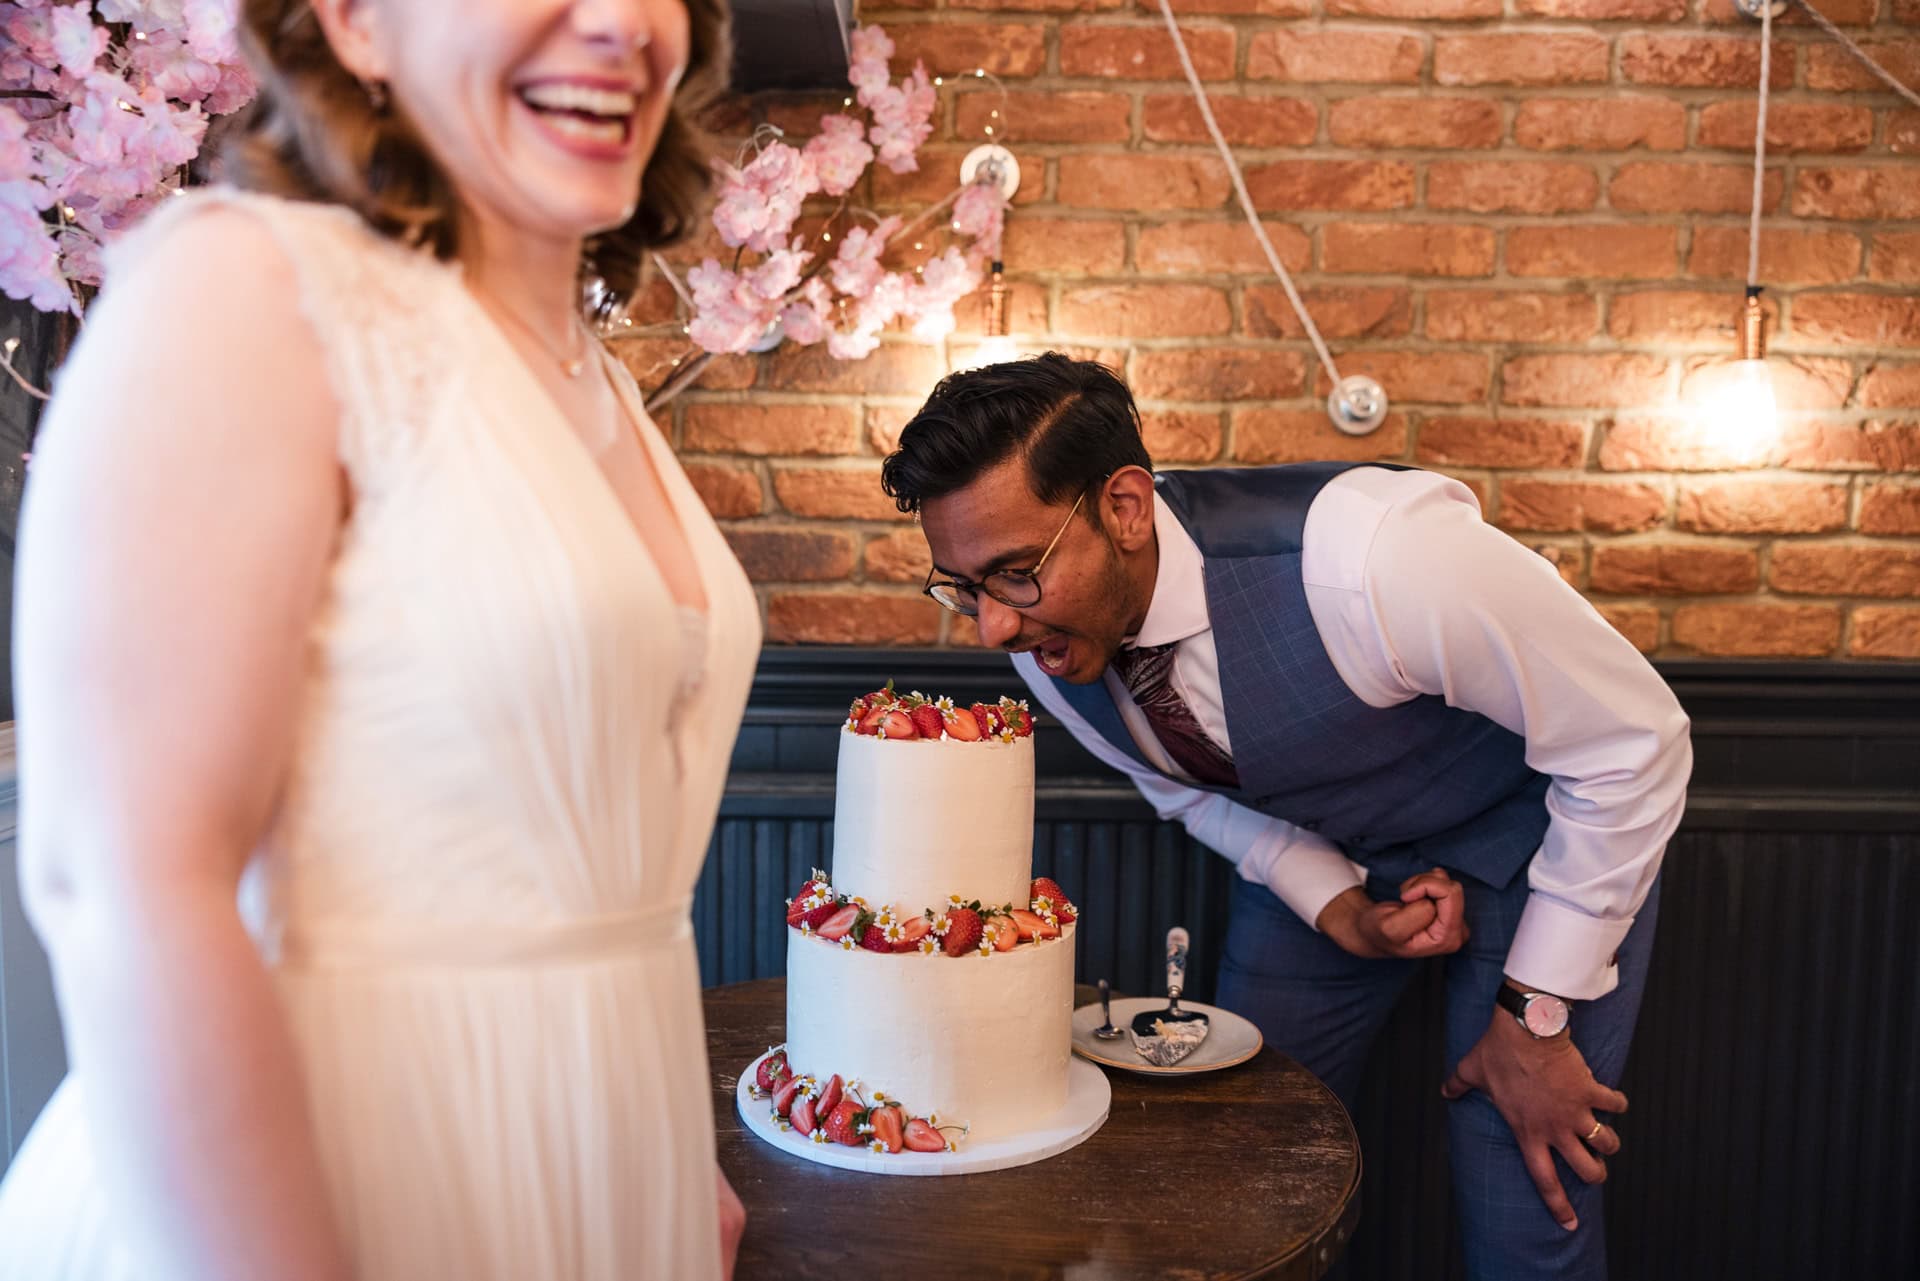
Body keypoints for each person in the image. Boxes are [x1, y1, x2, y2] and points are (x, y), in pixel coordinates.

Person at [0, 2, 755, 1278]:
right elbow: (129, 882)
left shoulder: (590, 374)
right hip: (327, 1191)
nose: (625, 22)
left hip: (596, 1190)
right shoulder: (246, 288)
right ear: (354, 23)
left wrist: (664, 1160)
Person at [881, 353, 1691, 1280]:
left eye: (1015, 572)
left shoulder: (1376, 556)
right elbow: (1181, 786)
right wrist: (1335, 902)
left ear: (1125, 507)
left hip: (1543, 850)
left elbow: (1634, 740)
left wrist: (1536, 1014)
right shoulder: (1044, 643)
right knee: (1239, 1168)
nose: (990, 628)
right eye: (961, 586)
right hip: (1328, 857)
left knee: (1526, 1192)